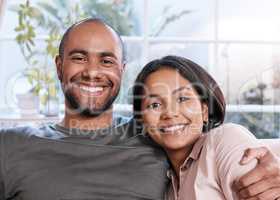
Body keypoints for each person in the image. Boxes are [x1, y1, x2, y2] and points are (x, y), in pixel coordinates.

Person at [0, 18, 279, 199]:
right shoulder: (12, 145)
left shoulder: (155, 137)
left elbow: (225, 153)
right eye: (79, 57)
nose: (93, 71)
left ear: (121, 71)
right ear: (59, 66)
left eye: (107, 61)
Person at [132, 55, 280, 199]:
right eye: (155, 105)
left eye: (182, 99)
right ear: (142, 120)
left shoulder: (223, 141)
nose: (170, 113)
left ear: (204, 110)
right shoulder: (166, 188)